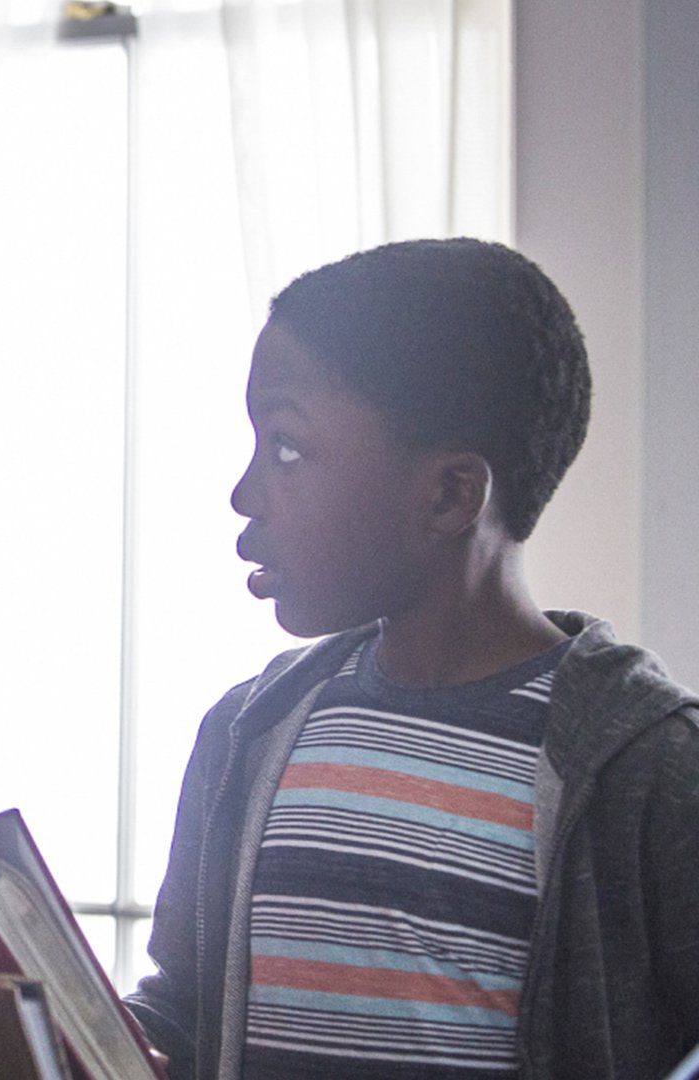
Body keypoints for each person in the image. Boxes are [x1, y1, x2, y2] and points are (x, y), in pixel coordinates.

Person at [125, 239, 699, 1079]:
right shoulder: (247, 736)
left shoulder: (648, 769)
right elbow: (182, 1006)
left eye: (286, 447)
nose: (244, 493)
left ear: (448, 494)